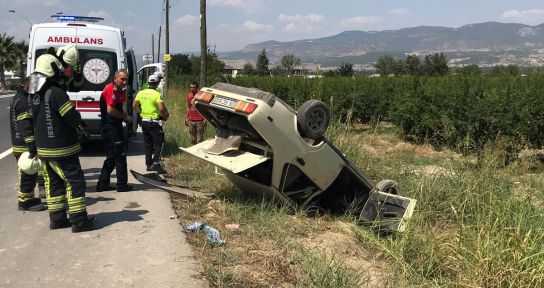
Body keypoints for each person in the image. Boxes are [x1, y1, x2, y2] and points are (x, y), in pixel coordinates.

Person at [30, 50, 95, 232]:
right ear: (52, 70)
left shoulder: (33, 94)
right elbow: (71, 118)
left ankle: (57, 219)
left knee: (54, 184)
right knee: (74, 182)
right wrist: (79, 121)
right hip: (62, 147)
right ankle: (79, 220)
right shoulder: (56, 93)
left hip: (44, 148)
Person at [9, 76, 46, 211]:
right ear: (28, 86)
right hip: (24, 144)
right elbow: (25, 125)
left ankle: (29, 197)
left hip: (20, 142)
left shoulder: (18, 97)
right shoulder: (23, 101)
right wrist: (31, 145)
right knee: (27, 174)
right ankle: (25, 201)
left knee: (29, 172)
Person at [96, 69, 133, 192]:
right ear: (115, 78)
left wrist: (125, 116)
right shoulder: (111, 88)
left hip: (113, 126)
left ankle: (102, 183)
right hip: (111, 128)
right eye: (122, 79)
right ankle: (122, 184)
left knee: (112, 156)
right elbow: (110, 110)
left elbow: (119, 106)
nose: (124, 81)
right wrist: (124, 117)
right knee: (120, 155)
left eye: (126, 79)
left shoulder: (119, 90)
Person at [133, 74, 169, 173]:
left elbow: (134, 106)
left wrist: (141, 113)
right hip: (154, 122)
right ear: (157, 83)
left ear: (148, 83)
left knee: (148, 144)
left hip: (144, 121)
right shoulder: (157, 94)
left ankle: (148, 164)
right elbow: (161, 108)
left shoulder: (141, 93)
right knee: (159, 143)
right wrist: (165, 116)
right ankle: (155, 163)